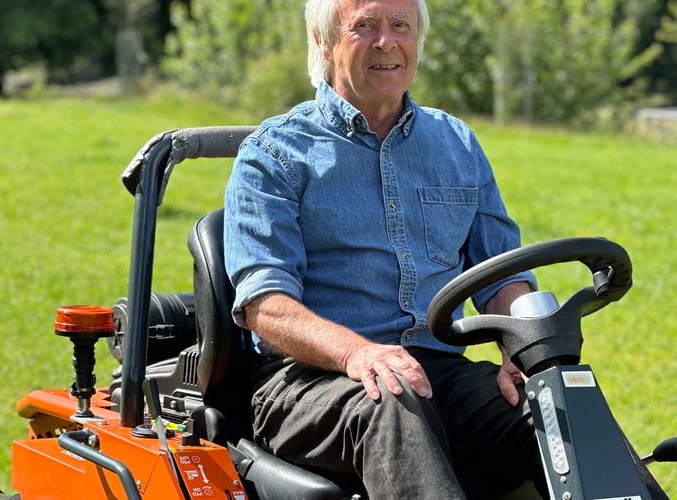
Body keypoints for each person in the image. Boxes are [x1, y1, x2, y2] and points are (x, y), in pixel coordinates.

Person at [224, 0, 548, 497]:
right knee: (391, 395)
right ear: (323, 42)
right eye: (364, 27)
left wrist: (526, 349)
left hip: (435, 371)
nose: (386, 42)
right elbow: (265, 305)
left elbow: (498, 274)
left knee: (555, 403)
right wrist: (357, 352)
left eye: (401, 26)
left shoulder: (457, 144)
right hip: (308, 383)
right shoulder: (273, 155)